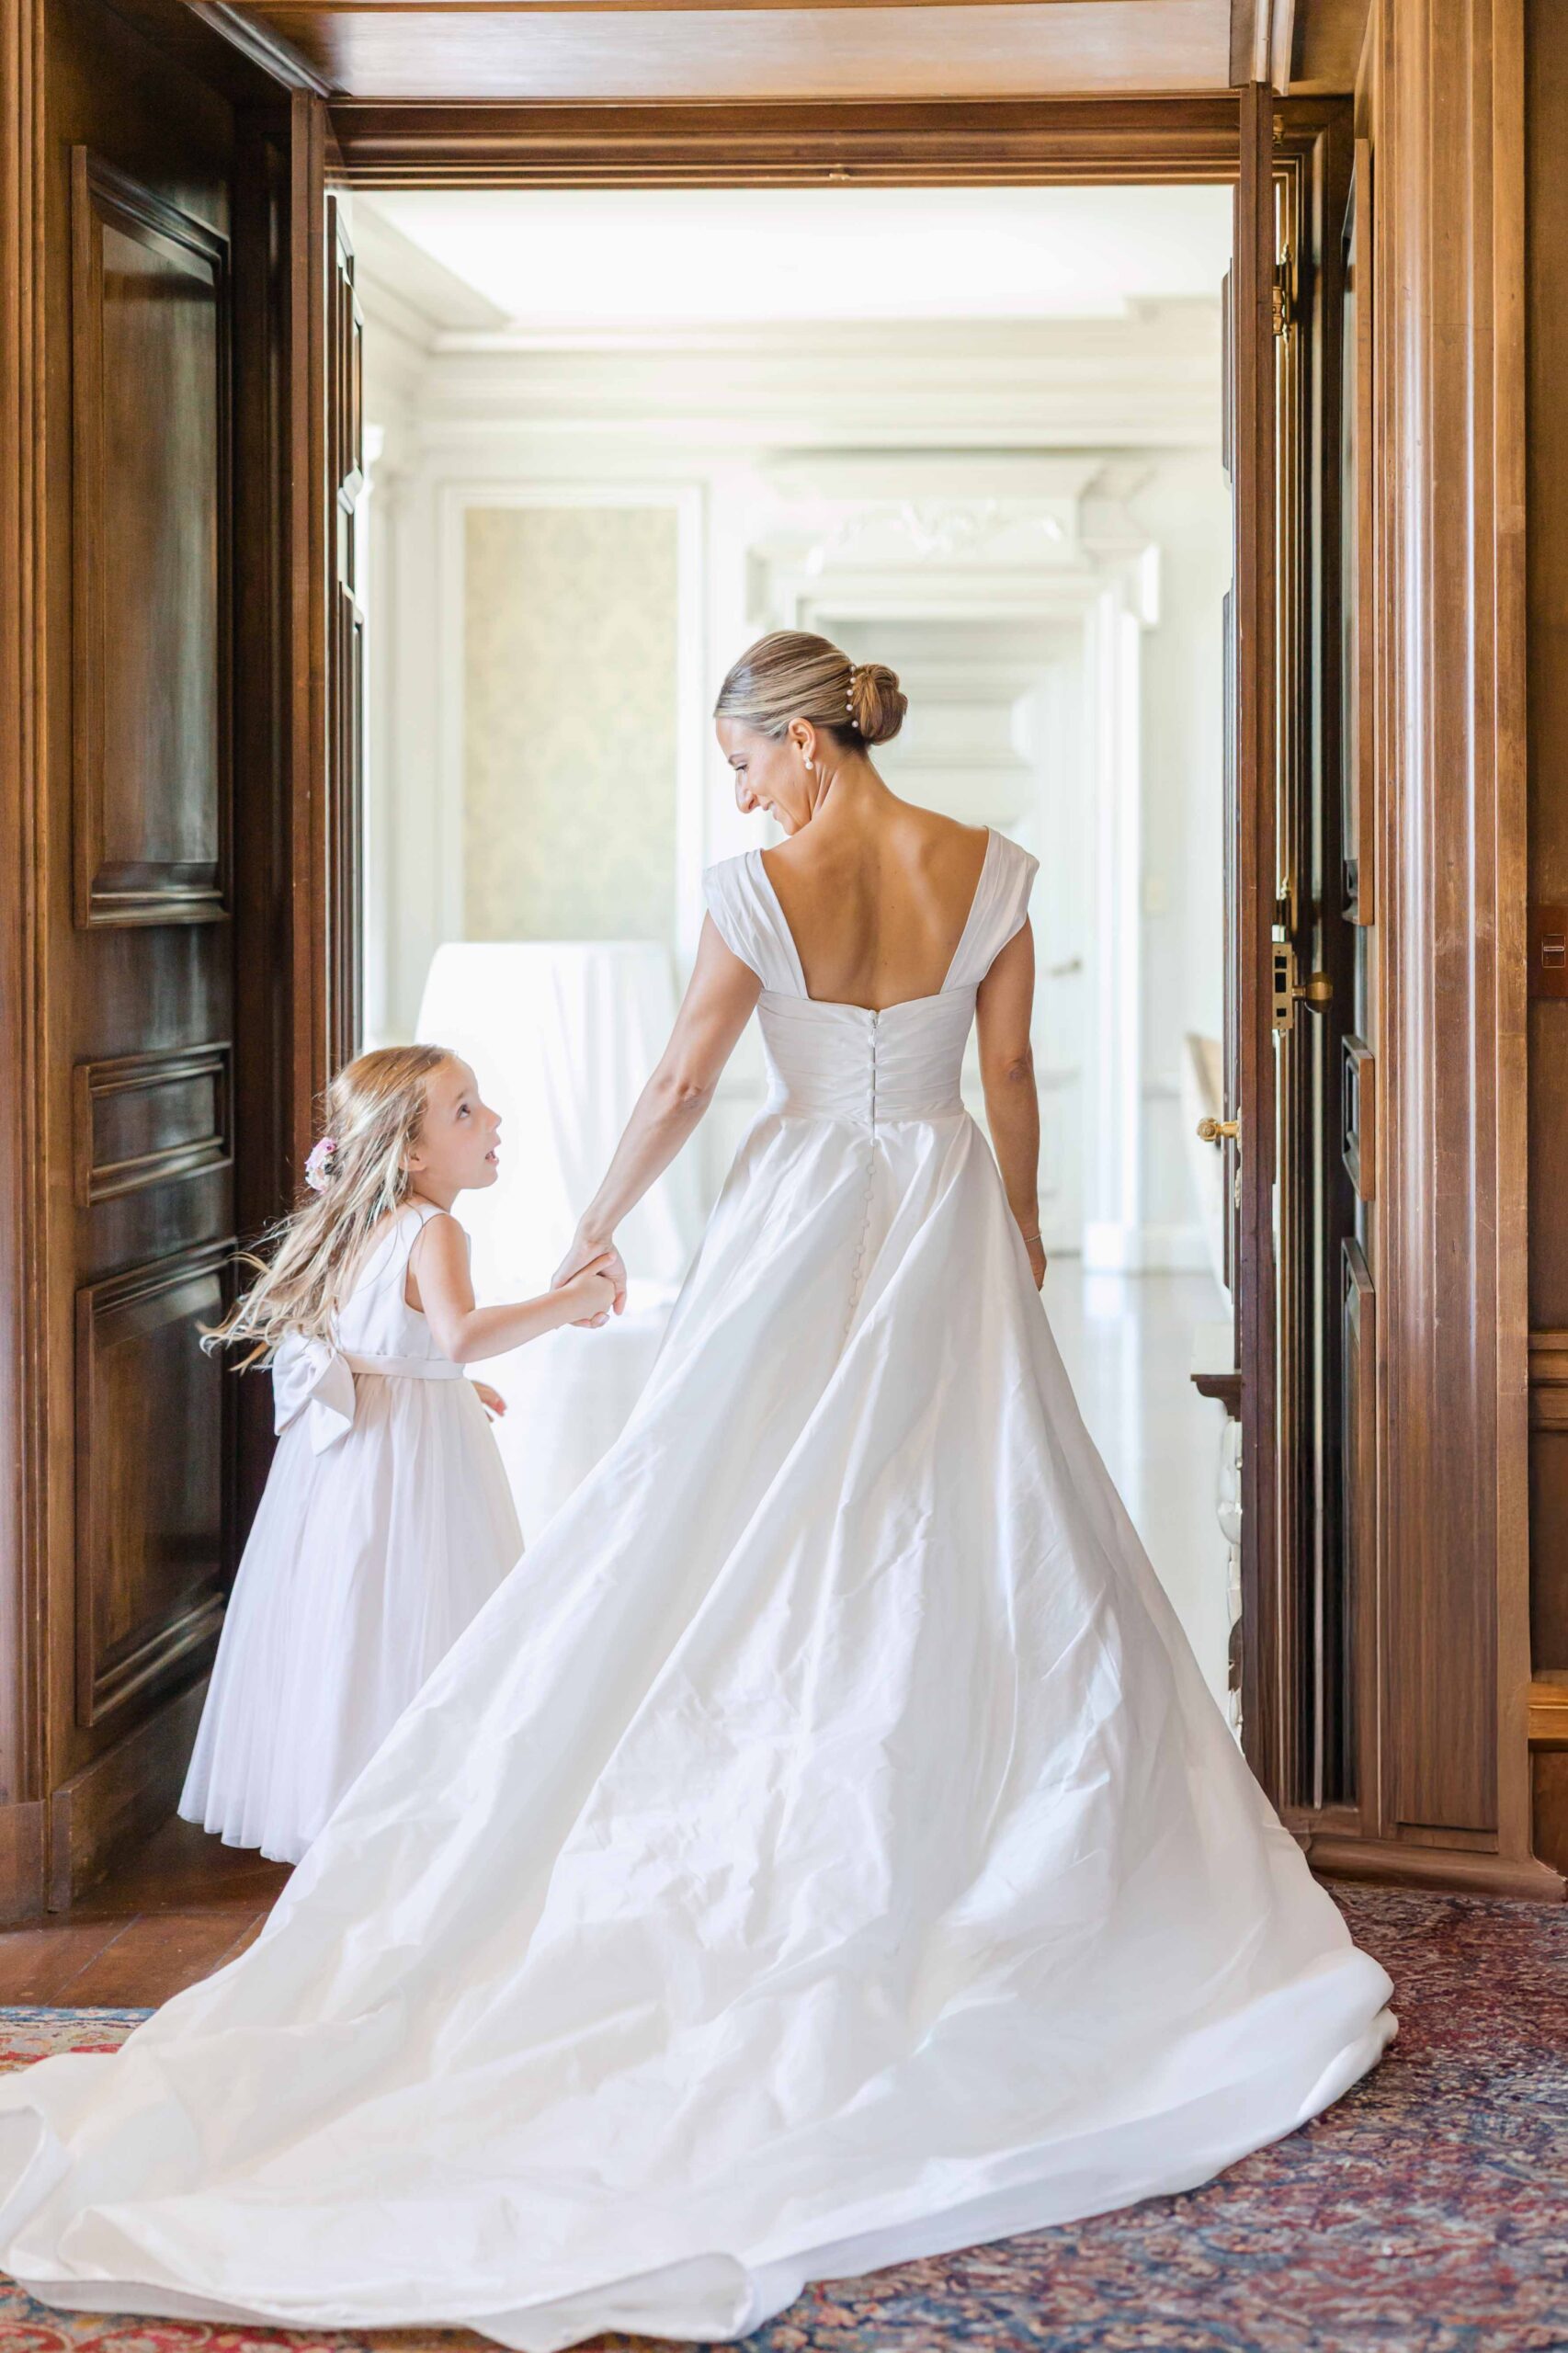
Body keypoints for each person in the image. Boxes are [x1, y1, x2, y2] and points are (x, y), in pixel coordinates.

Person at [0, 634, 1394, 2348]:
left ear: (802, 744)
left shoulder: (756, 887)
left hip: (807, 1203)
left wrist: (597, 1221)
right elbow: (1010, 1079)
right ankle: (952, 1792)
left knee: (730, 1507)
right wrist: (1019, 1221)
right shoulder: (996, 867)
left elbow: (681, 1080)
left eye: (739, 759)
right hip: (941, 1198)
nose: (732, 790)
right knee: (974, 1506)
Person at [179, 1043, 617, 1864]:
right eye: (465, 1110)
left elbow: (380, 1341)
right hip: (408, 1459)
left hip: (351, 1453)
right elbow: (462, 1335)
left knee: (353, 1612)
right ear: (411, 1151)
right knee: (425, 1607)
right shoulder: (436, 1229)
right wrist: (573, 1300)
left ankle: (337, 1798)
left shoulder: (355, 1223)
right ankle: (421, 1812)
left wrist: (441, 1385)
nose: (492, 1120)